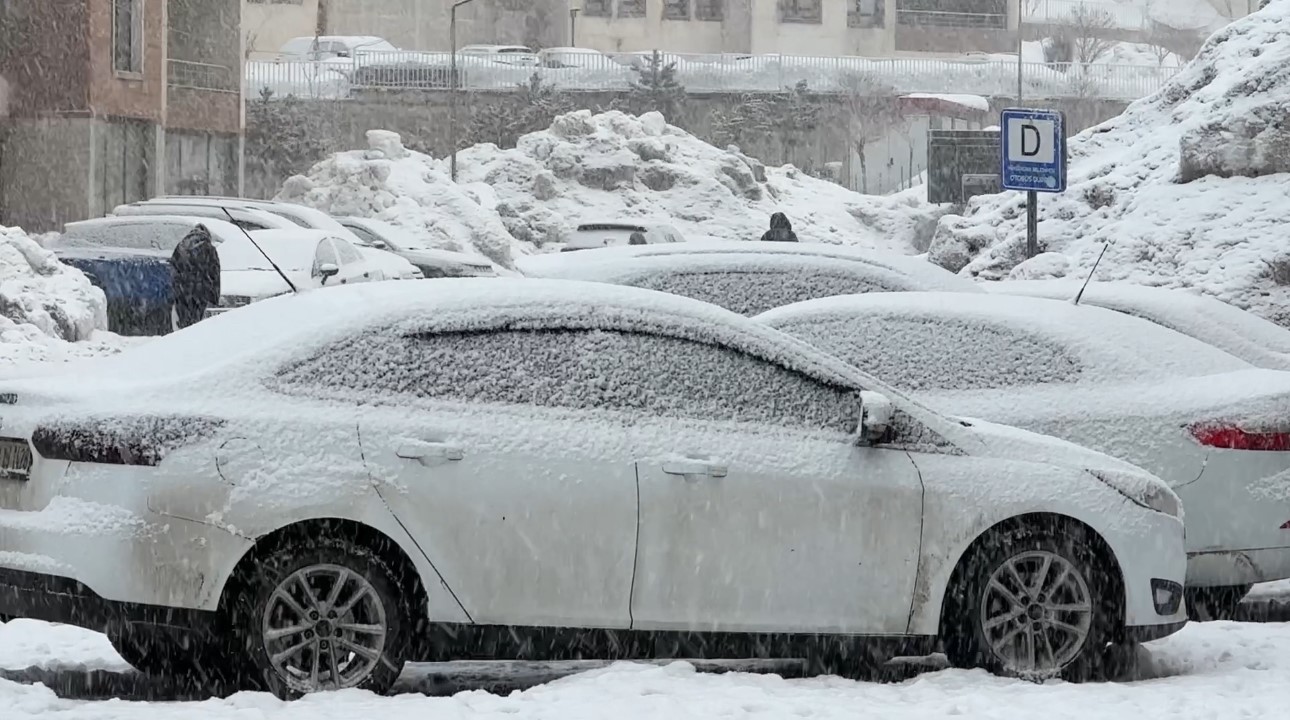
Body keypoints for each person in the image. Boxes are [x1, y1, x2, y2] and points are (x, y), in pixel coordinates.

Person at [170, 224, 221, 330]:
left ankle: (183, 337)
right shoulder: (209, 248)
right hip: (201, 291)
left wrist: (176, 290)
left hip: (183, 291)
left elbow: (174, 269)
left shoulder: (180, 247)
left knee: (184, 322)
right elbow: (214, 274)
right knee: (198, 325)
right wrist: (215, 297)